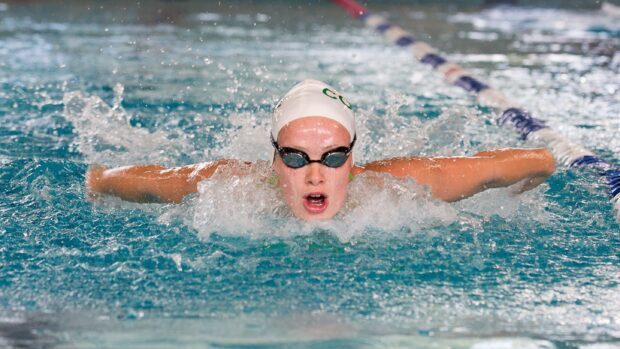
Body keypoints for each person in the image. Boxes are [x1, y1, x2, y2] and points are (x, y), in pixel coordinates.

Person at [86, 79, 556, 221]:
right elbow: (137, 180)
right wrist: (100, 180)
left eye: (332, 157)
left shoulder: (404, 184)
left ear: (352, 158)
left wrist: (526, 189)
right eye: (295, 157)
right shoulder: (226, 187)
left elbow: (532, 161)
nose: (315, 175)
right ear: (273, 159)